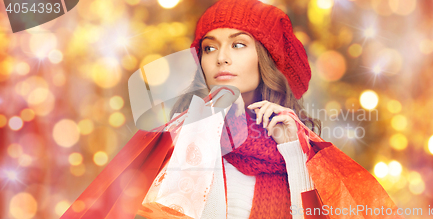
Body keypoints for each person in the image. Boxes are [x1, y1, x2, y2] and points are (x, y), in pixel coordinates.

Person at [62, 0, 402, 218]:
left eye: (238, 44)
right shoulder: (182, 132)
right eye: (209, 48)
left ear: (265, 58)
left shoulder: (300, 146)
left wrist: (292, 154)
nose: (221, 57)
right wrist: (206, 128)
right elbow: (177, 211)